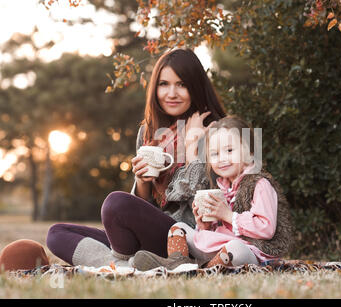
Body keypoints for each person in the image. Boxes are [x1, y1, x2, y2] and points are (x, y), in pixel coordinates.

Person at [46, 48, 226, 267]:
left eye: (181, 84)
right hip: (148, 235)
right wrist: (141, 181)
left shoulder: (215, 132)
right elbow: (141, 208)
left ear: (196, 87)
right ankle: (127, 265)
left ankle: (123, 264)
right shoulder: (149, 132)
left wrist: (192, 151)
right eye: (163, 84)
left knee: (116, 203)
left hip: (186, 239)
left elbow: (207, 206)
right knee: (57, 233)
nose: (171, 93)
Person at [130, 116, 294, 271]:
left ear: (250, 153)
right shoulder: (222, 187)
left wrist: (227, 215)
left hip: (252, 251)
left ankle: (203, 270)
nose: (222, 158)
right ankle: (177, 263)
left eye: (229, 150)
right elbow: (216, 231)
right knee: (178, 228)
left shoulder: (260, 184)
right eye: (215, 154)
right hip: (219, 245)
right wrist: (204, 224)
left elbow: (266, 228)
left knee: (236, 249)